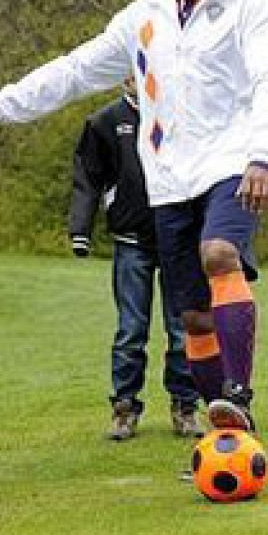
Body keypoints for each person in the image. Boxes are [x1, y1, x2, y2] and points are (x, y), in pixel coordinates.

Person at [0, 0, 268, 439]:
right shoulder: (142, 16)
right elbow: (77, 70)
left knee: (220, 252)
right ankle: (229, 429)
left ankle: (239, 393)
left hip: (233, 163)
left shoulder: (254, 5)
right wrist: (2, 105)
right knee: (194, 319)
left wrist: (264, 155)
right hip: (169, 178)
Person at [71, 88, 202, 441]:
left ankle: (185, 406)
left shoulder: (182, 111)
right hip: (131, 240)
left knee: (182, 329)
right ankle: (124, 408)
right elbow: (87, 178)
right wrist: (80, 230)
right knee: (131, 330)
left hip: (178, 237)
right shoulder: (104, 122)